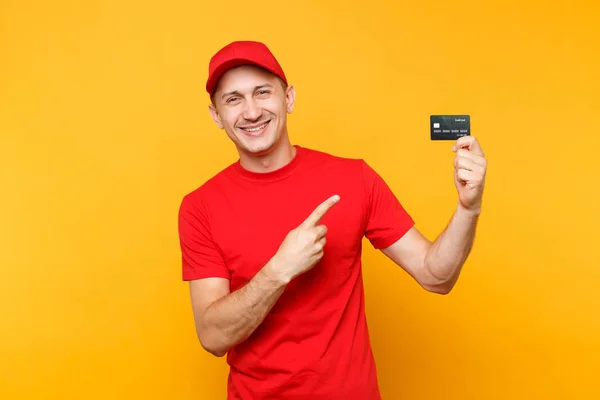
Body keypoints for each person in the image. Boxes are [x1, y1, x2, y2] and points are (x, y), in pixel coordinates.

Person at [177, 40, 487, 400]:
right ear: (216, 115)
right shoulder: (200, 207)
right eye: (233, 99)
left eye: (263, 92)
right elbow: (213, 337)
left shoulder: (354, 178)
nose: (250, 112)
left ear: (289, 98)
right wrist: (278, 270)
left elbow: (437, 276)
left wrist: (468, 207)